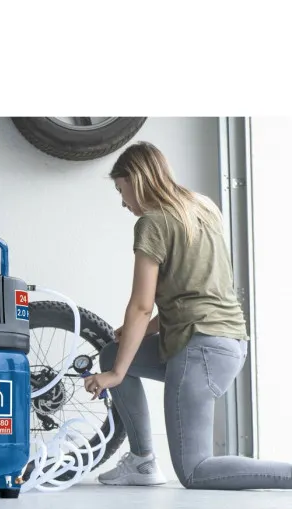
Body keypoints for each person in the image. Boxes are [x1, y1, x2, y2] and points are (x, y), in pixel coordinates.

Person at [84, 141, 292, 490]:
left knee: (195, 471)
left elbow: (141, 305)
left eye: (121, 190)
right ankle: (142, 462)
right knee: (111, 353)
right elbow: (195, 293)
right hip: (228, 344)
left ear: (137, 180)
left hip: (200, 351)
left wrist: (117, 374)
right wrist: (137, 336)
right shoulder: (203, 207)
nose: (122, 202)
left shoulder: (152, 222)